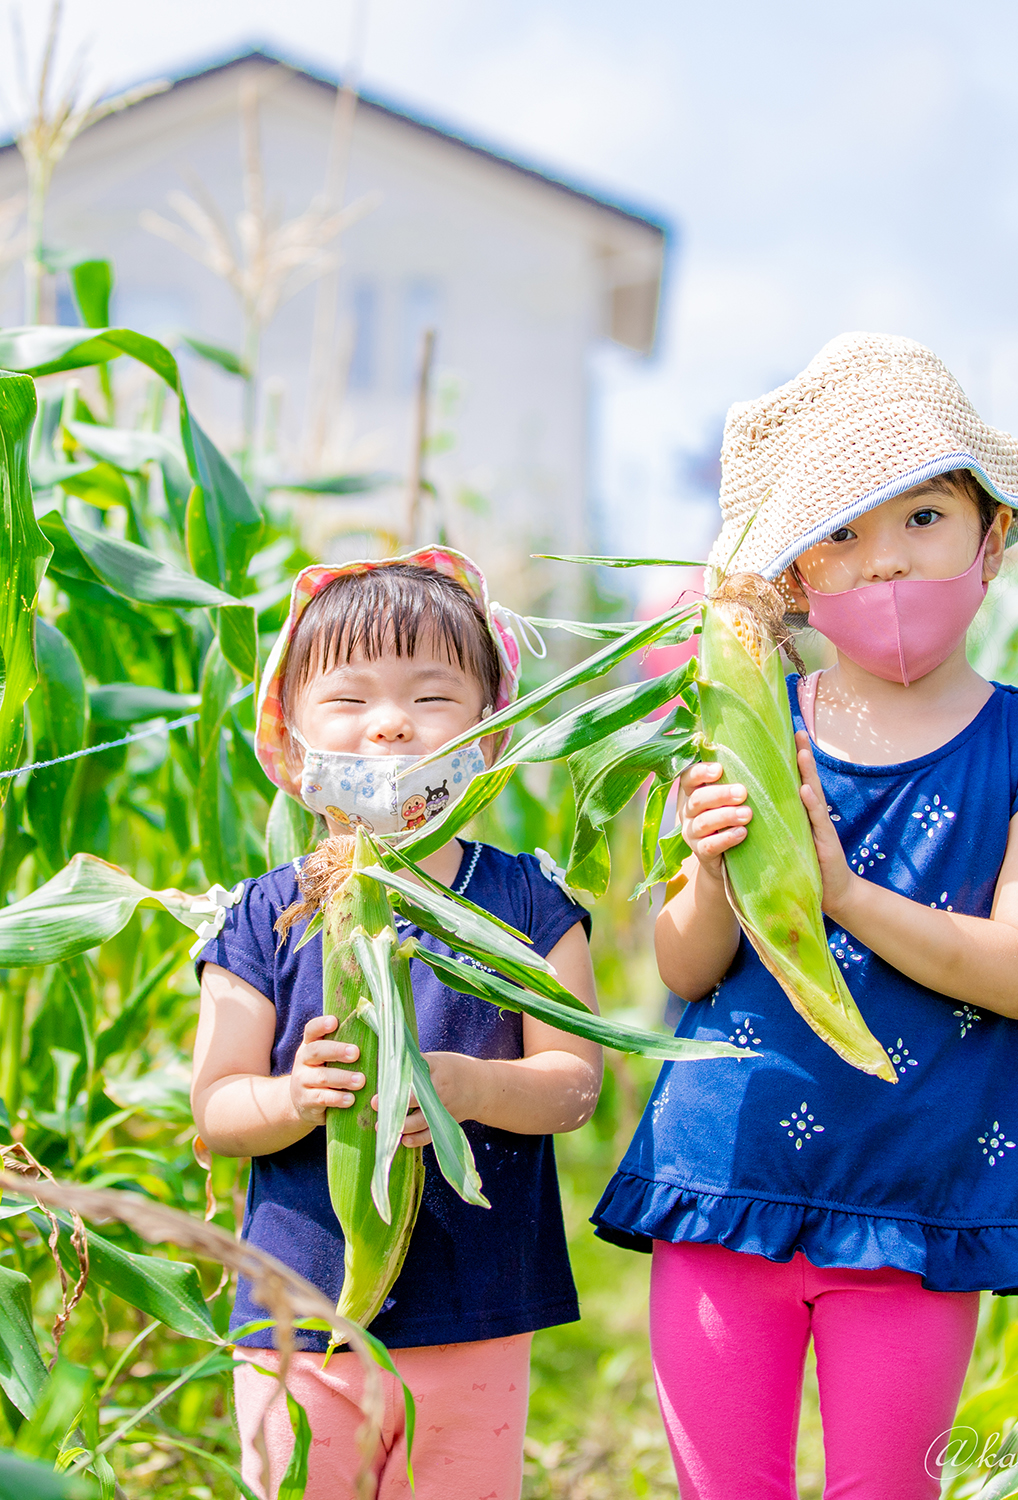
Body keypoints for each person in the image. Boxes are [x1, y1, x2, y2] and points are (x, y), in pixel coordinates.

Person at [591, 333, 1018, 1500]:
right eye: (840, 532)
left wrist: (839, 894)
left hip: (920, 1198)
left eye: (920, 519)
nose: (882, 564)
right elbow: (686, 966)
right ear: (795, 579)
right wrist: (716, 871)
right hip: (725, 1176)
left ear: (991, 538)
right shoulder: (746, 719)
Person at [191, 550, 602, 1500]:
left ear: (489, 733)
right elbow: (217, 1106)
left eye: (432, 697)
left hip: (478, 1314)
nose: (390, 724)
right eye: (349, 700)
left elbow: (574, 1083)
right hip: (299, 1322)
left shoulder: (530, 902)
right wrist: (296, 1097)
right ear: (291, 738)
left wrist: (467, 1086)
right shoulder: (260, 914)